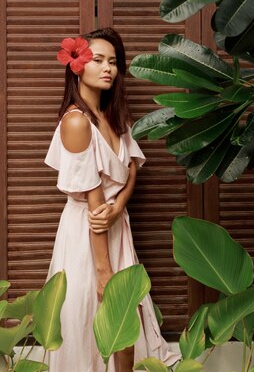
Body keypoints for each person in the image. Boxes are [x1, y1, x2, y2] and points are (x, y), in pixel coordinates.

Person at [44, 28, 180, 372]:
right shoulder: (77, 122)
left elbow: (132, 167)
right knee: (94, 314)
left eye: (114, 62)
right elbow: (95, 209)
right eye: (99, 60)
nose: (108, 68)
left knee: (126, 322)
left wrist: (119, 206)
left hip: (117, 227)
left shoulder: (113, 115)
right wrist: (103, 271)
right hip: (88, 235)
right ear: (78, 66)